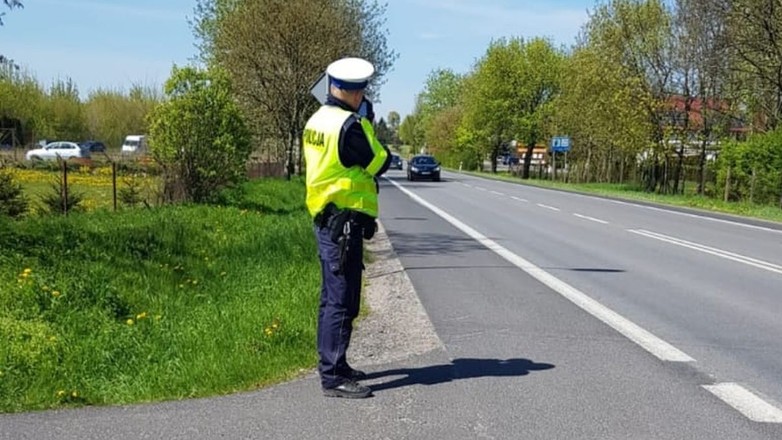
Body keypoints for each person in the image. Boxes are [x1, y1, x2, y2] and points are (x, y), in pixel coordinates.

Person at [303, 57, 392, 399]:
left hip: (327, 218)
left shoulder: (318, 120)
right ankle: (333, 376)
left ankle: (335, 365)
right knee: (341, 300)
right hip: (342, 225)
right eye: (363, 92)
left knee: (332, 298)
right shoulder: (349, 126)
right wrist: (367, 122)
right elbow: (379, 162)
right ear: (356, 93)